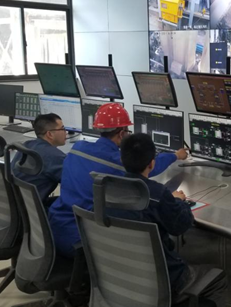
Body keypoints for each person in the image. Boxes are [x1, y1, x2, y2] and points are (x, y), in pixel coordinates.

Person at [115, 133, 231, 307]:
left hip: (121, 274)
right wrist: (178, 202)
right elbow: (181, 226)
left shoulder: (106, 186)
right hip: (161, 278)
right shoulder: (157, 194)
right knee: (217, 278)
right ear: (152, 163)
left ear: (122, 159)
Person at [48, 103, 188, 259]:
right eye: (127, 131)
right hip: (82, 241)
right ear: (121, 134)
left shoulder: (77, 148)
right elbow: (146, 165)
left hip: (55, 227)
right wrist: (175, 155)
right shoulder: (117, 162)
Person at [13, 113, 66, 207]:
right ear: (49, 134)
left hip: (13, 205)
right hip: (30, 210)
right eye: (62, 128)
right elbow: (74, 182)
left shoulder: (27, 145)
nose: (66, 132)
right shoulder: (54, 156)